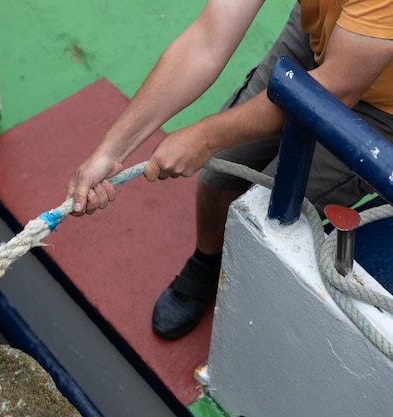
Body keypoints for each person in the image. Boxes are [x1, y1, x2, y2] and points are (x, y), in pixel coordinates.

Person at [65, 0, 393, 340]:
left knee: (263, 215)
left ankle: (249, 306)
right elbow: (206, 41)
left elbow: (339, 86)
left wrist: (206, 137)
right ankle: (207, 261)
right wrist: (110, 152)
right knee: (220, 177)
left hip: (378, 103)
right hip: (323, 37)